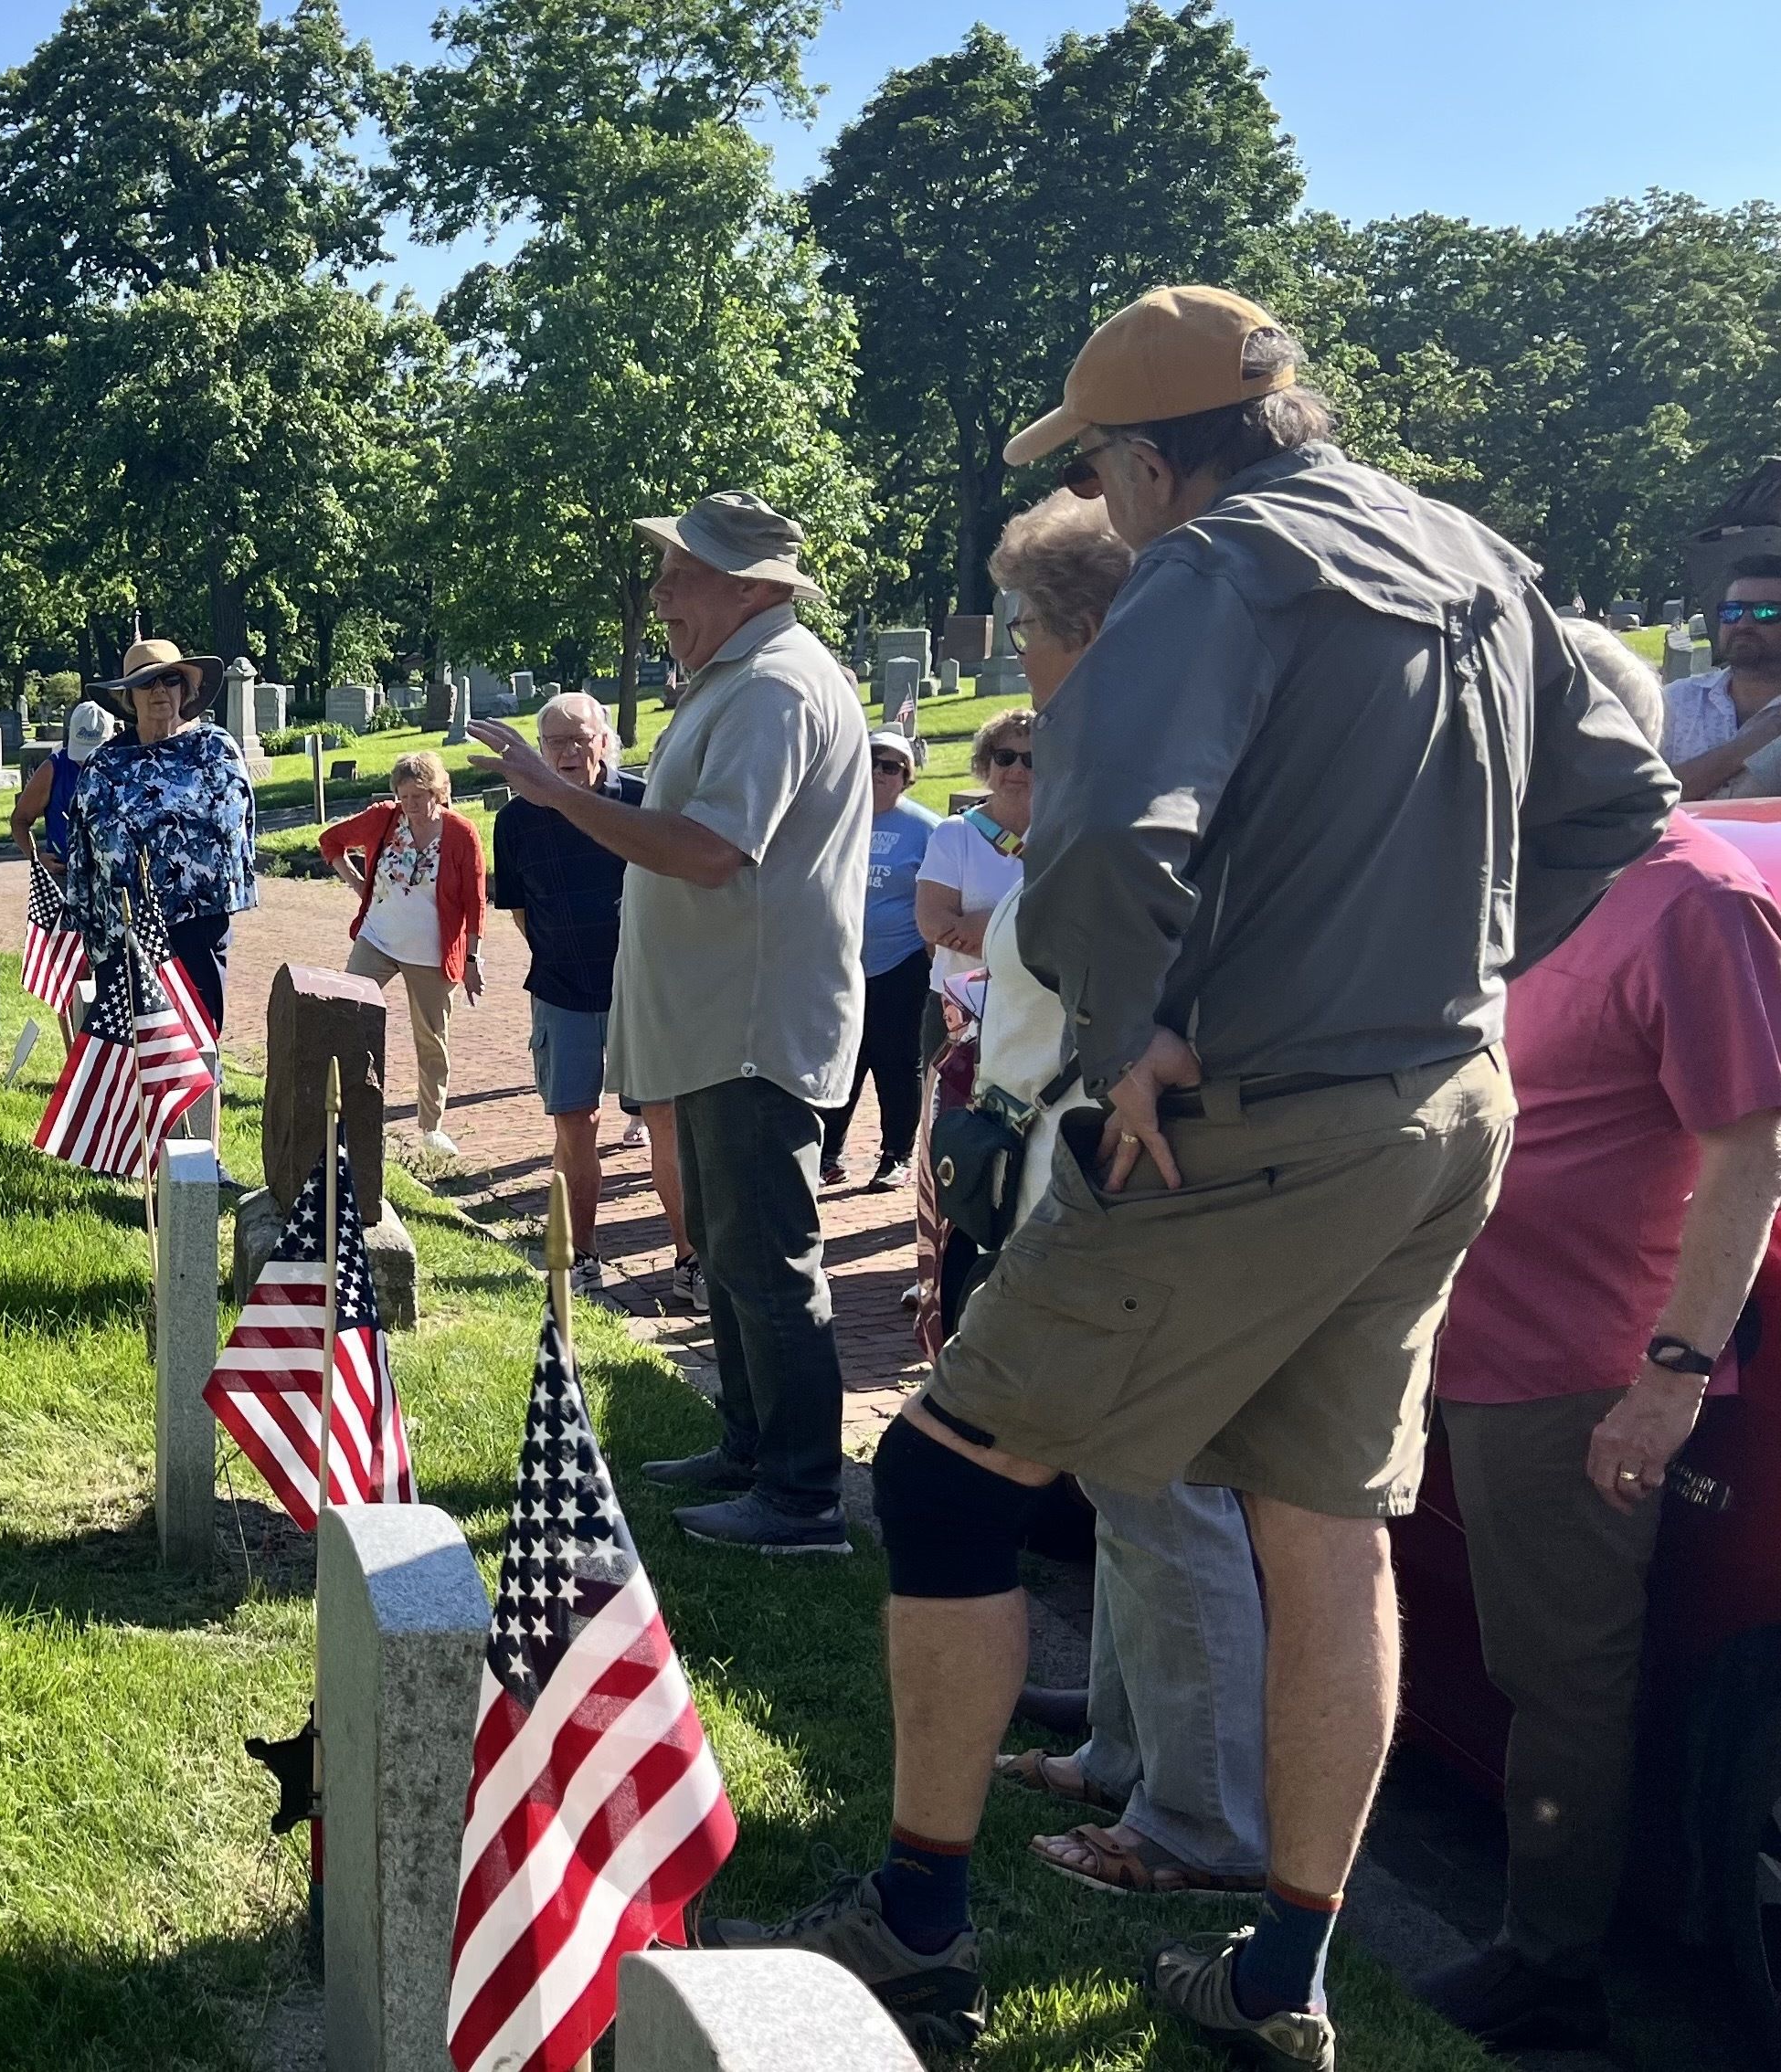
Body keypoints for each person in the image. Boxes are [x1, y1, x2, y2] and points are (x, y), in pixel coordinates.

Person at [699, 287, 1672, 2070]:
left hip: (1251, 1114)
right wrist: (1444, 970)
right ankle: (1282, 1976)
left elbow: (1096, 842)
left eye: (1096, 473)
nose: (1099, 506)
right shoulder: (1470, 551)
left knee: (942, 1478)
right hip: (1445, 1105)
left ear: (1152, 463)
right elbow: (1622, 805)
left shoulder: (1208, 569)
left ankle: (917, 1930)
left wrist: (1140, 1023)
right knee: (1324, 1527)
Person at [1410, 619, 1781, 2053]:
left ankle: (1549, 1963)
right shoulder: (1531, 884)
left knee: (1561, 1677)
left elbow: (1747, 1154)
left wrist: (1669, 1380)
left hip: (1578, 1365)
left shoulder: (1695, 901)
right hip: (1463, 1333)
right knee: (1505, 1651)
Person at [962, 492, 1272, 1908]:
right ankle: (1124, 1754)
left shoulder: (1162, 771)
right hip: (1074, 1163)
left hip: (1144, 1172)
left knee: (1164, 1490)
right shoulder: (1109, 758)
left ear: (1088, 629)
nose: (1015, 648)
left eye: (1027, 621)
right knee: (1118, 1485)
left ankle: (1204, 1822)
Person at [470, 490, 869, 1557]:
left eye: (679, 574)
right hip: (717, 1021)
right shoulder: (742, 679)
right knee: (732, 1250)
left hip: (750, 1025)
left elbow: (709, 850)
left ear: (747, 587)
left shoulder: (775, 687)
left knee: (767, 1256)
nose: (659, 594)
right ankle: (750, 1449)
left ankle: (801, 1499)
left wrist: (557, 798)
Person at [489, 692, 685, 1295]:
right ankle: (582, 1258)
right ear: (540, 749)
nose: (568, 752)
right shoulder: (516, 820)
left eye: (580, 738)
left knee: (665, 1120)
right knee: (575, 1125)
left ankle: (690, 1260)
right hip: (562, 990)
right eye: (556, 742)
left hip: (643, 990)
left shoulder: (644, 802)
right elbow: (522, 911)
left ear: (605, 741)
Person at [70, 640, 256, 1031]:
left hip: (198, 924)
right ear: (128, 696)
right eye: (145, 682)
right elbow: (81, 854)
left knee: (198, 1043)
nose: (159, 690)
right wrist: (86, 932)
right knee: (133, 1048)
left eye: (170, 680)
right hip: (124, 929)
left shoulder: (215, 749)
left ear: (185, 691)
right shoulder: (103, 765)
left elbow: (241, 829)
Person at [318, 751, 483, 1159]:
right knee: (347, 1014)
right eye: (404, 795)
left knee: (431, 1040)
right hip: (377, 939)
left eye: (419, 795)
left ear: (438, 792)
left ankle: (431, 1129)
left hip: (432, 953)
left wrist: (472, 960)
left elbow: (474, 901)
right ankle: (342, 1104)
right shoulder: (384, 818)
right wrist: (358, 884)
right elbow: (331, 841)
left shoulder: (461, 833)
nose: (410, 804)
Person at [825, 731, 938, 1189]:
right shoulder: (835, 819)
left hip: (901, 962)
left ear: (906, 777)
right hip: (840, 960)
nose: (878, 773)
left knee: (898, 1061)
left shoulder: (927, 829)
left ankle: (896, 1155)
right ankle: (828, 1155)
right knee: (841, 1058)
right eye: (872, 761)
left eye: (891, 767)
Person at [914, 711, 1034, 1046]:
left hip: (1035, 1009)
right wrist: (1022, 936)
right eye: (1005, 757)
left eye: (1031, 760)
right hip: (957, 1007)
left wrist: (986, 929)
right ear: (986, 763)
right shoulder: (953, 834)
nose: (1017, 769)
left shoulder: (1063, 835)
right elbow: (932, 924)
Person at [1654, 555, 1781, 798]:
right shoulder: (1675, 702)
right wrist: (1748, 745)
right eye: (1732, 611)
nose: (1742, 624)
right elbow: (1640, 797)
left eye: (1765, 612)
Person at [9, 701, 113, 877]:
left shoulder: (126, 768)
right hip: (65, 875)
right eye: (82, 754)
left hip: (113, 876)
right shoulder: (53, 769)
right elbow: (20, 820)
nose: (85, 762)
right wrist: (37, 857)